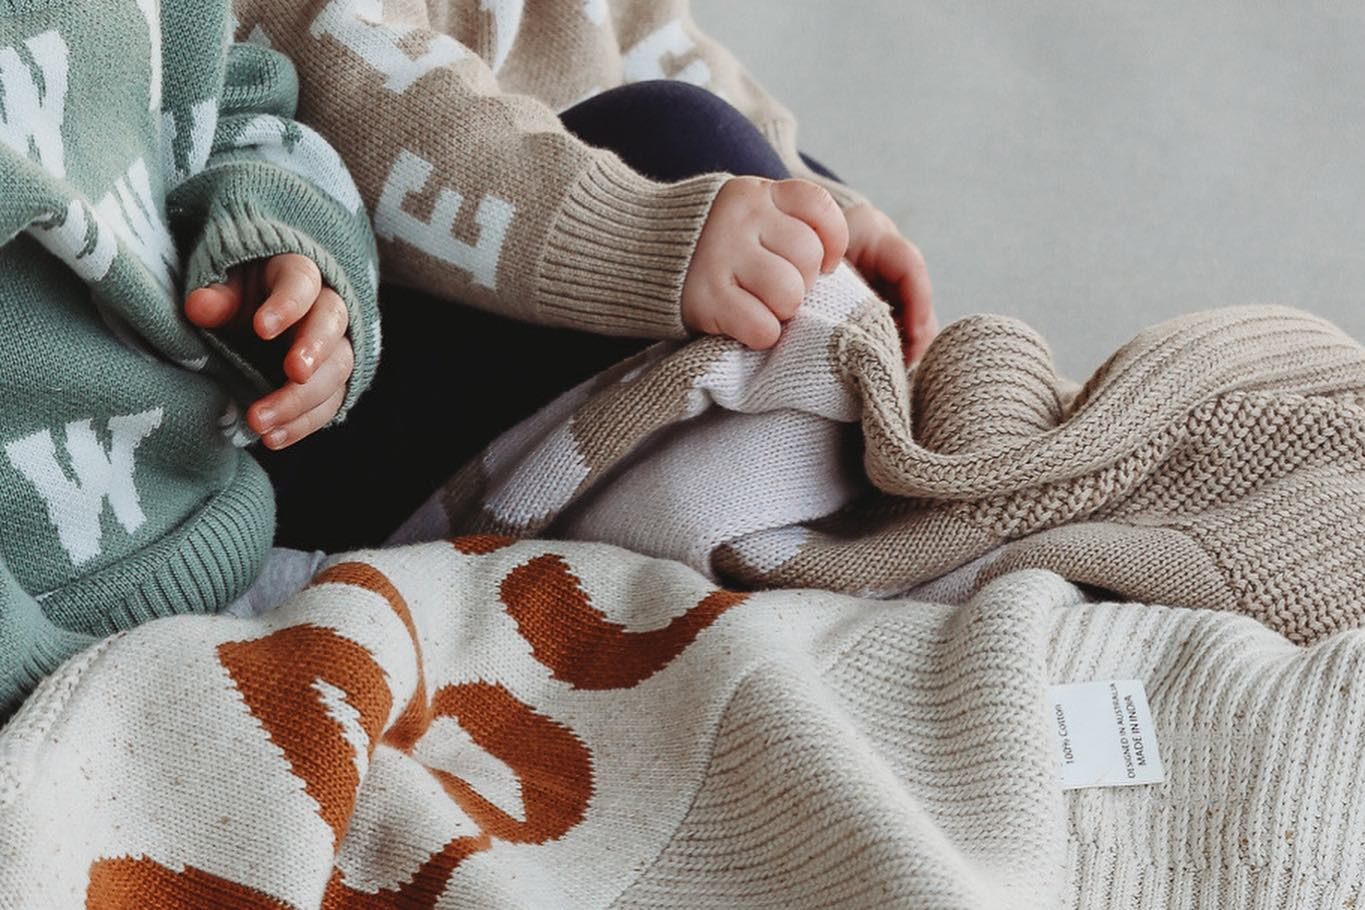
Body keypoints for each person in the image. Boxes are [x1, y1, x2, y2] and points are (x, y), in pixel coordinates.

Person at [232, 0, 940, 552]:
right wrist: (644, 234)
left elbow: (651, 39)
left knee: (766, 187)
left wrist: (822, 203)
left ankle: (857, 454)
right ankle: (853, 494)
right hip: (325, 399)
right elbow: (368, 101)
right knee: (679, 137)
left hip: (513, 294)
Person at [0, 0, 377, 715]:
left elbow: (227, 100)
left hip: (230, 527)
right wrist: (58, 703)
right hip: (58, 677)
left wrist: (275, 237)